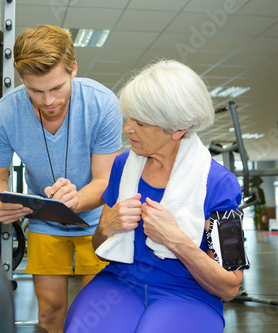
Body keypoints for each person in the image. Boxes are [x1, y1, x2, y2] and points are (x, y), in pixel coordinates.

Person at [64, 60, 249, 333]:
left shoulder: (219, 184)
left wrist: (177, 241)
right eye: (129, 118)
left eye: (140, 122)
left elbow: (230, 285)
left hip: (188, 293)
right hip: (120, 282)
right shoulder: (122, 167)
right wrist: (106, 227)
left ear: (177, 129)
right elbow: (98, 246)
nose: (127, 129)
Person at [0, 25, 122, 333]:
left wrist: (76, 199)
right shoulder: (4, 114)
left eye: (57, 88)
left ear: (73, 69)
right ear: (22, 79)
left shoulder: (103, 104)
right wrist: (0, 200)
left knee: (94, 315)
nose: (48, 100)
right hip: (44, 218)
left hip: (99, 218)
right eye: (36, 91)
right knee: (49, 312)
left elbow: (104, 180)